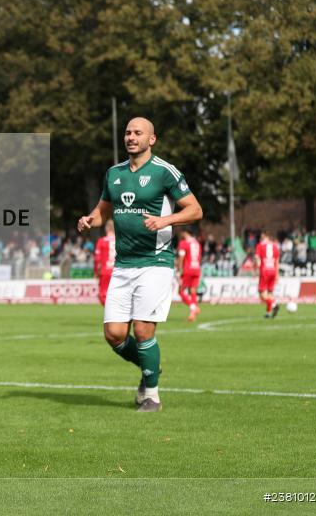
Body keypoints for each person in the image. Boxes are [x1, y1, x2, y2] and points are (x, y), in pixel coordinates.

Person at [78, 117, 202, 413]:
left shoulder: (164, 172)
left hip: (155, 262)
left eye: (138, 133)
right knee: (115, 335)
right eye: (128, 133)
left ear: (152, 139)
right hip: (123, 264)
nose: (131, 137)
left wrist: (165, 220)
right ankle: (151, 368)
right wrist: (89, 220)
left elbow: (195, 209)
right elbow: (103, 212)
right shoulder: (114, 173)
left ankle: (152, 395)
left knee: (144, 331)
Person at [177, 229, 202, 322]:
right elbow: (199, 257)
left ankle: (193, 307)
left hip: (187, 270)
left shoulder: (184, 243)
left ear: (184, 232)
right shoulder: (197, 243)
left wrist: (180, 269)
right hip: (196, 268)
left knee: (180, 291)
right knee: (193, 291)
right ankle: (192, 314)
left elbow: (181, 257)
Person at [255, 231, 280, 318]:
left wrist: (257, 269)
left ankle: (273, 304)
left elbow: (257, 259)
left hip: (264, 271)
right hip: (273, 271)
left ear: (264, 237)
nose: (260, 239)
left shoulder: (260, 246)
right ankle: (269, 313)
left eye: (261, 237)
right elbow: (277, 261)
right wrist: (277, 274)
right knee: (270, 293)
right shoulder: (275, 246)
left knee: (261, 294)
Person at [93, 220, 116, 307]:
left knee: (103, 294)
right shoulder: (120, 241)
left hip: (105, 271)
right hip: (118, 271)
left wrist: (96, 272)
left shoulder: (101, 241)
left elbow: (97, 259)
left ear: (107, 228)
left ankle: (111, 313)